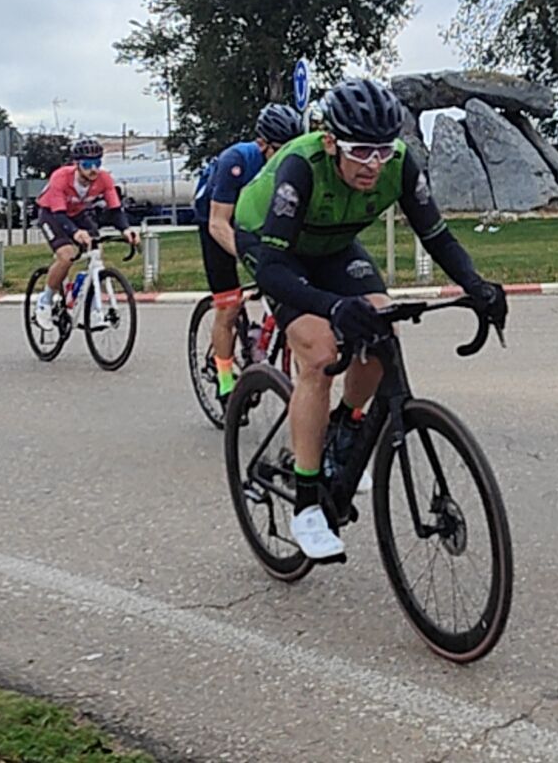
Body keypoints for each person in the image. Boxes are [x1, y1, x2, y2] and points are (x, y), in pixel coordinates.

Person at [234, 78, 507, 561]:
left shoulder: (400, 164)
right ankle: (306, 503)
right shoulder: (302, 166)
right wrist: (334, 307)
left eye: (383, 151)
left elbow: (437, 236)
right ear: (332, 140)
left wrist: (478, 286)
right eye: (361, 151)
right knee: (319, 353)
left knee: (384, 328)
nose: (373, 165)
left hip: (334, 244)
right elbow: (274, 270)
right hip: (274, 247)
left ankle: (343, 427)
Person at [196, 103, 308, 404]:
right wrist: (248, 259)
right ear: (262, 145)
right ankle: (223, 381)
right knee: (229, 306)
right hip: (217, 220)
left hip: (255, 218)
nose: (287, 159)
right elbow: (218, 223)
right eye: (280, 151)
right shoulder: (237, 160)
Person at [33, 137, 135, 323]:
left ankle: (91, 302)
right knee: (67, 254)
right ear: (77, 164)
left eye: (97, 163)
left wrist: (126, 230)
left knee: (96, 250)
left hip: (78, 212)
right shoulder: (61, 177)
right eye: (87, 164)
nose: (93, 169)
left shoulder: (104, 179)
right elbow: (59, 215)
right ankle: (45, 300)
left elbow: (115, 210)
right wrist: (75, 233)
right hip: (52, 213)